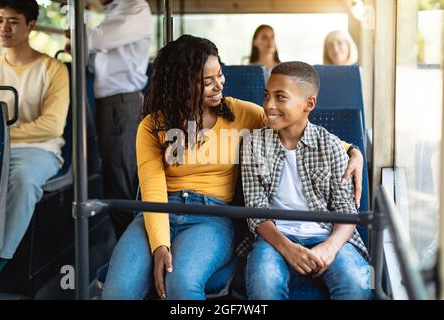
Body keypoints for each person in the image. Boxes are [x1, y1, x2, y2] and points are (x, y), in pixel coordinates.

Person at [102, 35, 365, 300]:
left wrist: (352, 151)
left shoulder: (241, 114)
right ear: (183, 84)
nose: (219, 85)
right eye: (208, 81)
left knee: (181, 284)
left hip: (211, 215)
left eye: (220, 75)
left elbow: (293, 125)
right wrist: (160, 246)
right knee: (117, 292)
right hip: (159, 211)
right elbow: (153, 190)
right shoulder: (151, 126)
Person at [241, 61, 371, 300]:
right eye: (267, 95)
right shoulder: (253, 143)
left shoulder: (330, 145)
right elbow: (256, 210)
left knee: (356, 285)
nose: (268, 105)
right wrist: (288, 249)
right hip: (274, 237)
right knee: (264, 286)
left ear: (308, 104)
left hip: (326, 234)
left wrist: (329, 248)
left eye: (280, 97)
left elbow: (346, 211)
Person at [0, 0, 69, 300]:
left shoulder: (54, 70)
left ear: (31, 25)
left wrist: (2, 134)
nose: (4, 27)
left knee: (23, 181)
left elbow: (50, 126)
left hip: (39, 150)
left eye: (13, 21)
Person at [87, 0, 153, 239]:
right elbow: (98, 61)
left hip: (122, 103)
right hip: (111, 103)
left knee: (121, 182)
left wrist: (81, 36)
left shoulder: (135, 7)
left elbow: (99, 40)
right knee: (115, 179)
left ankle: (129, 254)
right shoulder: (114, 11)